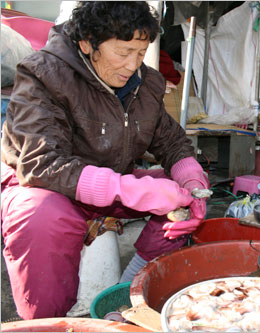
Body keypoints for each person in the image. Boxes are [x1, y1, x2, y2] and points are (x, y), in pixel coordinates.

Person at [1, 1, 209, 319]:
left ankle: (125, 299)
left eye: (140, 54)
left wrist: (192, 181)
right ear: (88, 43)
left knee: (178, 200)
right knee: (43, 216)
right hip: (42, 186)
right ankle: (46, 322)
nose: (132, 65)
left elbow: (173, 143)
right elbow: (41, 163)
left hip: (108, 184)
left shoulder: (145, 84)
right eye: (123, 52)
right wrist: (131, 190)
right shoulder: (43, 74)